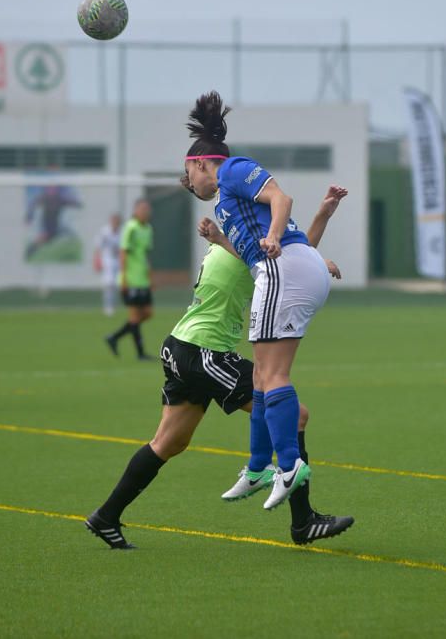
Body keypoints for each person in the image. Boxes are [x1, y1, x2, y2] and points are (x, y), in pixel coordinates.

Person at [85, 187, 352, 549]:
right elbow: (291, 258)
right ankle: (303, 522)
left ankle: (105, 517)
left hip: (181, 345)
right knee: (294, 413)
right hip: (203, 350)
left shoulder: (232, 241)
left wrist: (324, 215)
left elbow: (294, 254)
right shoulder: (242, 242)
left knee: (170, 442)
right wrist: (321, 261)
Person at [182, 91, 341, 512]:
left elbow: (281, 200)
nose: (190, 185)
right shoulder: (225, 203)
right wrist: (222, 239)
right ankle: (257, 468)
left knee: (272, 376)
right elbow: (258, 252)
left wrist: (273, 237)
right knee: (259, 379)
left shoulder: (233, 169)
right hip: (287, 268)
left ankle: (288, 466)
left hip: (283, 271)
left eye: (189, 176)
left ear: (199, 163)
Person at [105, 199, 154, 360]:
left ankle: (114, 337)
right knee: (134, 317)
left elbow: (145, 254)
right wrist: (124, 278)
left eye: (147, 209)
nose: (146, 212)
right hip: (131, 279)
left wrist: (149, 276)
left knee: (147, 313)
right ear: (136, 211)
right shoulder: (130, 228)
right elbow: (123, 253)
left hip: (143, 280)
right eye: (142, 209)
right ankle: (140, 354)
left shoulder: (147, 228)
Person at [93, 213, 122, 316]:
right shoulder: (104, 232)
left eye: (117, 221)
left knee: (118, 284)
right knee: (109, 284)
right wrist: (97, 260)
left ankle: (114, 305)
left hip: (119, 261)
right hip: (108, 260)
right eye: (114, 221)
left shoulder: (122, 232)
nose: (115, 223)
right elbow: (98, 247)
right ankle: (108, 307)